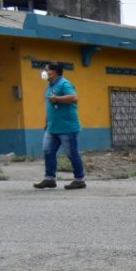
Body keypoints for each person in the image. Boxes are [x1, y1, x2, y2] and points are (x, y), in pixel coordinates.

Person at [33, 62, 86, 190]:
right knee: (48, 151)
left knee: (71, 153)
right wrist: (46, 122)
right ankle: (49, 179)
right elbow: (50, 106)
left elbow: (73, 98)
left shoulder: (64, 84)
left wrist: (57, 98)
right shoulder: (50, 86)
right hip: (52, 127)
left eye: (47, 69)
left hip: (67, 127)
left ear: (54, 72)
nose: (44, 72)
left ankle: (79, 180)